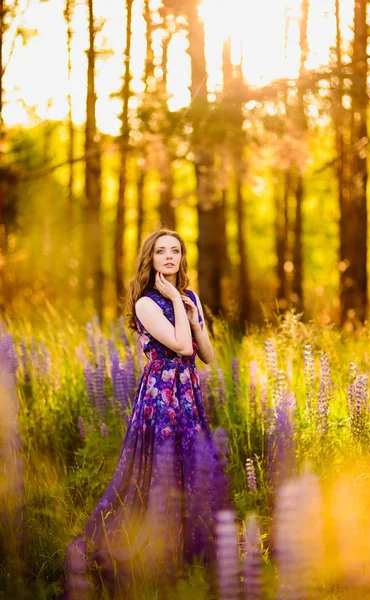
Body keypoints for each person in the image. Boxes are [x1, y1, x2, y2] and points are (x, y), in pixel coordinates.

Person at [63, 228, 231, 599]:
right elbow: (180, 345)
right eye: (161, 252)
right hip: (161, 391)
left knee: (192, 461)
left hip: (188, 388)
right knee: (158, 464)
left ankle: (190, 550)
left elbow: (206, 353)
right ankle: (149, 547)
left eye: (175, 251)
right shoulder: (146, 303)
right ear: (150, 259)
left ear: (182, 257)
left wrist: (192, 312)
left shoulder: (189, 296)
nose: (169, 257)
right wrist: (173, 301)